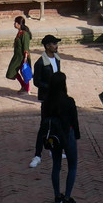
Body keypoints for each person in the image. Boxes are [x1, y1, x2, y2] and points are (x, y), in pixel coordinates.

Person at [43, 72, 80, 203]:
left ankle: (57, 196)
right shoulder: (69, 101)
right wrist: (77, 135)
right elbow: (74, 121)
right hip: (68, 133)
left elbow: (44, 121)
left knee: (56, 165)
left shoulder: (47, 102)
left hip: (54, 136)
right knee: (72, 165)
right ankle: (67, 197)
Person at [30, 33, 62, 167]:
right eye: (54, 44)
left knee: (56, 126)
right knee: (44, 127)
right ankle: (37, 155)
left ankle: (52, 149)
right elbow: (37, 81)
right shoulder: (40, 62)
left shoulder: (57, 59)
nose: (56, 46)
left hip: (57, 98)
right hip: (47, 99)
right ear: (47, 46)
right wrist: (50, 88)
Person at [5, 16, 32, 94]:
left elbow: (26, 46)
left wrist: (25, 58)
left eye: (15, 22)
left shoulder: (25, 34)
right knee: (13, 71)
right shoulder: (20, 32)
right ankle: (24, 86)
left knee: (24, 72)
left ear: (18, 24)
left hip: (22, 57)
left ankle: (27, 89)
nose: (14, 24)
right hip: (17, 57)